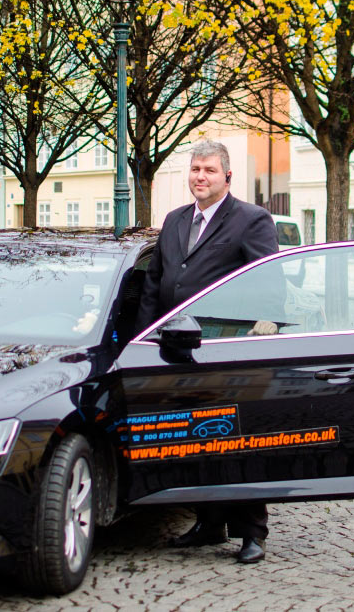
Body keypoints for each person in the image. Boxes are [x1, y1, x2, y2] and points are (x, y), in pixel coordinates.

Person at [135, 139, 278, 564]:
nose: (201, 177)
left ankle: (252, 532)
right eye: (196, 169)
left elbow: (268, 279)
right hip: (178, 349)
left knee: (236, 441)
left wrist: (264, 326)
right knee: (194, 440)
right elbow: (155, 281)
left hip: (225, 347)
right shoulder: (174, 219)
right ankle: (209, 522)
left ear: (227, 176)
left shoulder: (251, 219)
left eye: (210, 170)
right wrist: (145, 338)